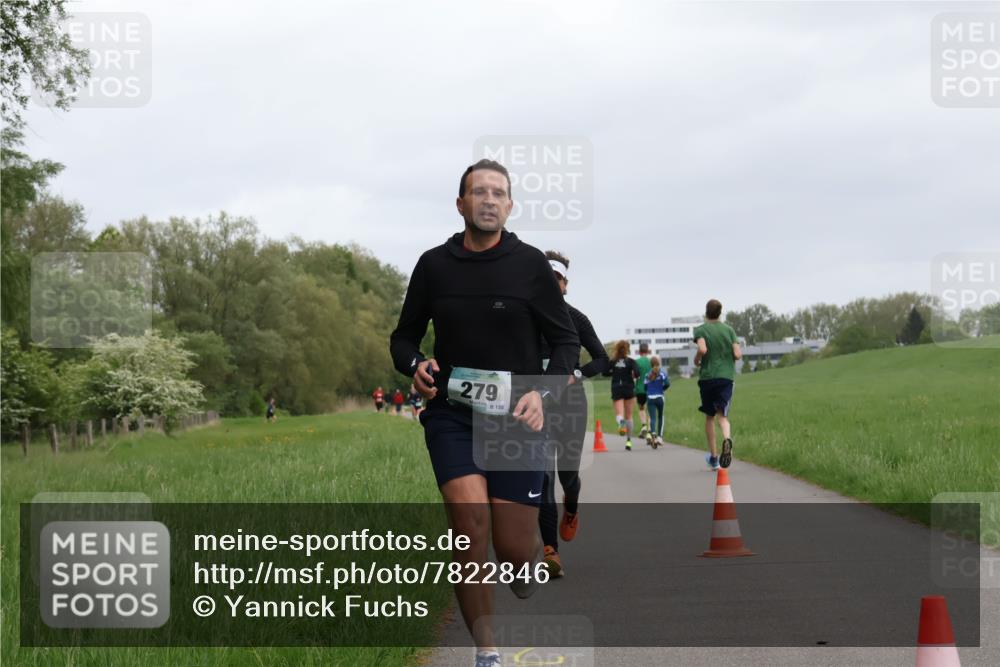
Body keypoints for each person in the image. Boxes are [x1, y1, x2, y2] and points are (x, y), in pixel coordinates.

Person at [389, 159, 579, 667]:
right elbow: (404, 336)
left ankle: (525, 566)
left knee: (516, 549)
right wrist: (416, 364)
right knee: (469, 523)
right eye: (479, 192)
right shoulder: (434, 265)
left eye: (499, 192)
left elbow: (565, 343)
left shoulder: (531, 266)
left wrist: (542, 393)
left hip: (517, 418)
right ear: (461, 204)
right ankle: (487, 653)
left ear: (511, 205)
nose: (489, 199)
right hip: (453, 413)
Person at [537, 250, 609, 578]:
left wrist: (576, 374)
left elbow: (602, 359)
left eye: (558, 279)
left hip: (571, 404)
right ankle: (550, 550)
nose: (552, 285)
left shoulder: (576, 319)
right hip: (535, 404)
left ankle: (573, 505)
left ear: (565, 284)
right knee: (543, 476)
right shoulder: (525, 317)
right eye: (546, 279)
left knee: (567, 475)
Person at [693, 299, 742, 470]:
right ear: (720, 313)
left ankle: (714, 458)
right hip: (726, 377)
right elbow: (737, 354)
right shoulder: (729, 330)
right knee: (723, 416)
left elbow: (702, 349)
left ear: (706, 312)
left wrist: (697, 359)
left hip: (707, 378)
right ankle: (727, 440)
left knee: (709, 416)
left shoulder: (700, 330)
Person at [604, 340, 639, 450]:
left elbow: (604, 372)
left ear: (617, 349)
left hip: (617, 388)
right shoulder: (631, 362)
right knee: (629, 416)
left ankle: (621, 423)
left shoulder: (613, 361)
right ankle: (628, 441)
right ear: (627, 349)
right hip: (629, 388)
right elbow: (637, 373)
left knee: (619, 413)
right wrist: (631, 374)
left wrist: (613, 372)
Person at [643, 356, 670, 448]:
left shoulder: (647, 375)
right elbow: (667, 384)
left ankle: (653, 433)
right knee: (660, 417)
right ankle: (659, 437)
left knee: (652, 418)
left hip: (650, 398)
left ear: (650, 365)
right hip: (660, 398)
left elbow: (645, 387)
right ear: (658, 363)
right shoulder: (662, 374)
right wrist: (662, 389)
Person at [633, 342, 653, 439]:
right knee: (649, 409)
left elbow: (634, 375)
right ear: (648, 351)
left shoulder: (636, 362)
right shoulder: (651, 362)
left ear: (639, 351)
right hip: (650, 389)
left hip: (640, 389)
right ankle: (649, 431)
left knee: (641, 408)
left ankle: (644, 425)